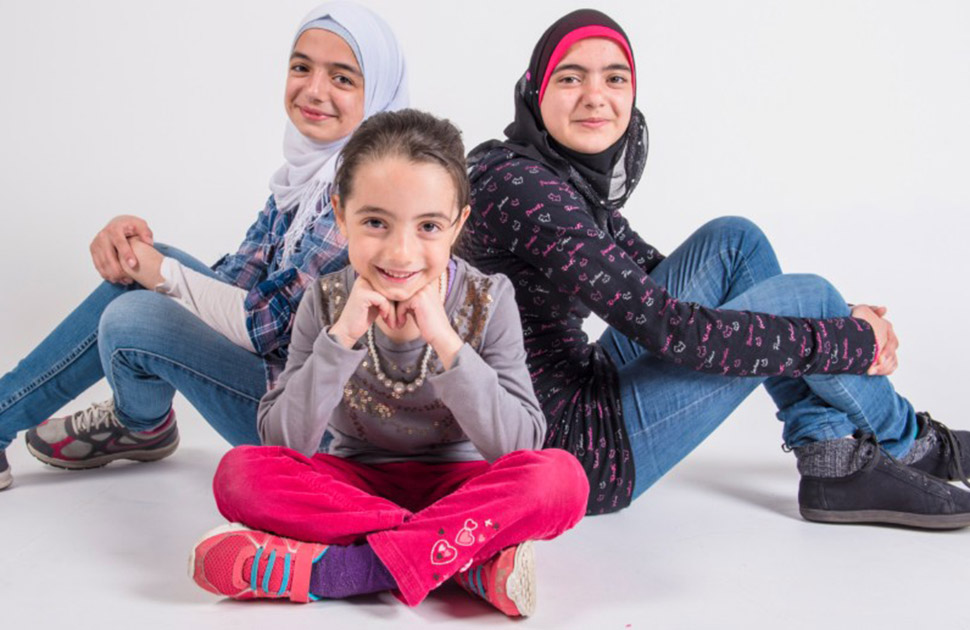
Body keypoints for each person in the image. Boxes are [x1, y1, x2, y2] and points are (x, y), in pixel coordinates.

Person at [462, 8, 970, 527]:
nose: (596, 96)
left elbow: (661, 288)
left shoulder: (550, 173)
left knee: (735, 243)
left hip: (582, 383)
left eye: (615, 78)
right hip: (575, 447)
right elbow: (669, 327)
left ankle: (831, 456)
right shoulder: (523, 189)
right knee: (807, 297)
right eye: (570, 77)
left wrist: (838, 323)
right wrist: (847, 338)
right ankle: (909, 444)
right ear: (535, 90)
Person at [188, 109, 588, 617]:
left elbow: (520, 445)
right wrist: (342, 337)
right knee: (238, 474)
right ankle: (463, 562)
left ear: (458, 224)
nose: (401, 253)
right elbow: (283, 443)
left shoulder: (490, 299)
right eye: (375, 222)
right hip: (357, 486)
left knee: (562, 479)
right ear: (341, 215)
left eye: (428, 226)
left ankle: (339, 572)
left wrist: (444, 338)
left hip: (464, 485)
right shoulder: (326, 301)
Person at [0, 1, 408, 491]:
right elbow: (236, 283)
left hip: (325, 430)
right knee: (143, 282)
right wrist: (141, 259)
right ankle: (89, 421)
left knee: (134, 317)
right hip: (280, 385)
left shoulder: (369, 193)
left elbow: (264, 327)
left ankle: (138, 421)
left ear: (378, 92)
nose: (313, 90)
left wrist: (159, 274)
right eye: (301, 67)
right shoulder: (305, 179)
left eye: (342, 78)